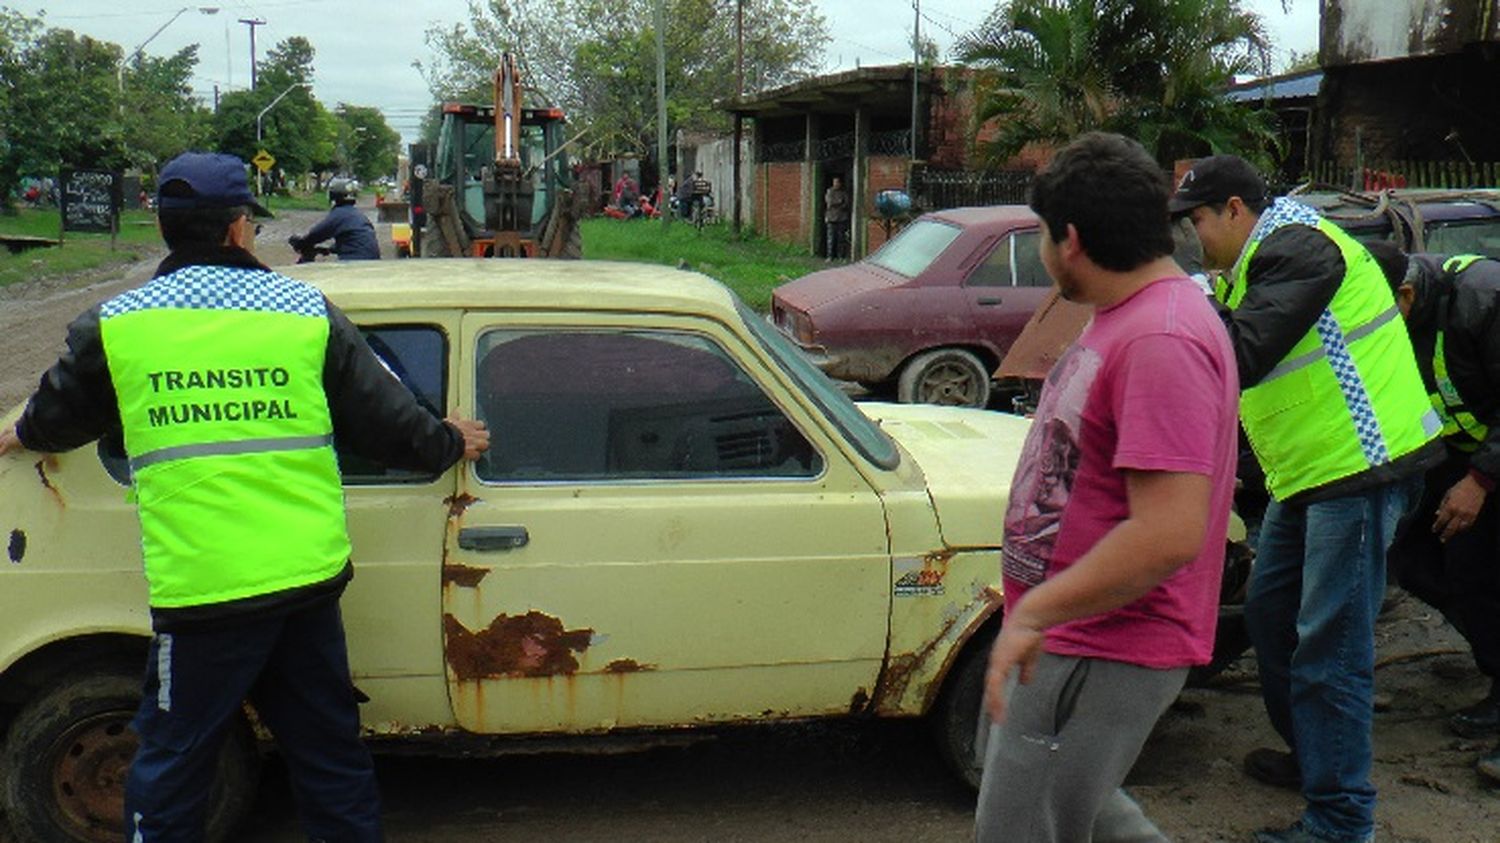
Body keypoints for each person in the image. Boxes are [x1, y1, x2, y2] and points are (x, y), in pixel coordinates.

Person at [0, 151, 490, 841]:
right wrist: (448, 440)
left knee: (172, 761)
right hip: (305, 580)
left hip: (204, 593)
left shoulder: (118, 321)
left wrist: (20, 433)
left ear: (168, 229)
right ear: (237, 229)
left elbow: (59, 416)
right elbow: (388, 424)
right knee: (328, 754)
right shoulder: (302, 309)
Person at [976, 132, 1239, 843]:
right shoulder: (1131, 317)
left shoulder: (1163, 339)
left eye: (1039, 234)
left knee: (1025, 829)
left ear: (1070, 240)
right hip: (1070, 629)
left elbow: (1168, 531)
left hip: (1104, 639)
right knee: (1079, 814)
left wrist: (1037, 615)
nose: (1039, 249)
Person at [1174, 155, 1442, 843]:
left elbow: (1242, 352)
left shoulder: (1298, 248)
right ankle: (1317, 761)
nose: (1192, 236)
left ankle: (1342, 819)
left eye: (1197, 220)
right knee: (1271, 617)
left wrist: (1167, 308)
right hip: (1311, 474)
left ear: (1236, 209)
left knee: (1330, 646)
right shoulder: (1252, 262)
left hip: (1359, 471)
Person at [1369, 243, 1500, 784]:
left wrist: (1479, 482)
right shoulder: (1392, 318)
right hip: (1463, 457)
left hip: (1487, 463)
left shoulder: (1482, 299)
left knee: (1479, 564)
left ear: (1405, 294)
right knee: (1415, 556)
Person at [289, 177, 381, 260]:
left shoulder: (339, 214)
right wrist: (330, 249)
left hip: (354, 262)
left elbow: (317, 234)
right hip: (371, 260)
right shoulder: (357, 215)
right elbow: (355, 241)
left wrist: (301, 243)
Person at [824, 176, 850, 260]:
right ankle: (829, 256)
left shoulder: (843, 192)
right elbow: (830, 202)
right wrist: (839, 202)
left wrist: (839, 204)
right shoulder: (829, 191)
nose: (836, 184)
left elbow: (846, 203)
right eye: (835, 182)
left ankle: (840, 256)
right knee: (830, 238)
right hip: (831, 218)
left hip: (842, 218)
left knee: (841, 238)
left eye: (838, 182)